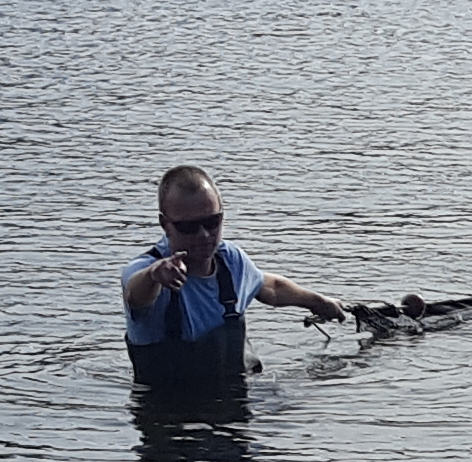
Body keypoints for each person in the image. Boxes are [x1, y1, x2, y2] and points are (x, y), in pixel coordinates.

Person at [122, 166, 344, 400]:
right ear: (165, 225)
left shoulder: (230, 260)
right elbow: (135, 295)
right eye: (189, 227)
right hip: (172, 417)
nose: (204, 235)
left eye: (212, 222)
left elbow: (270, 287)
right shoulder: (145, 271)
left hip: (233, 408)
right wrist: (153, 276)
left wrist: (318, 302)